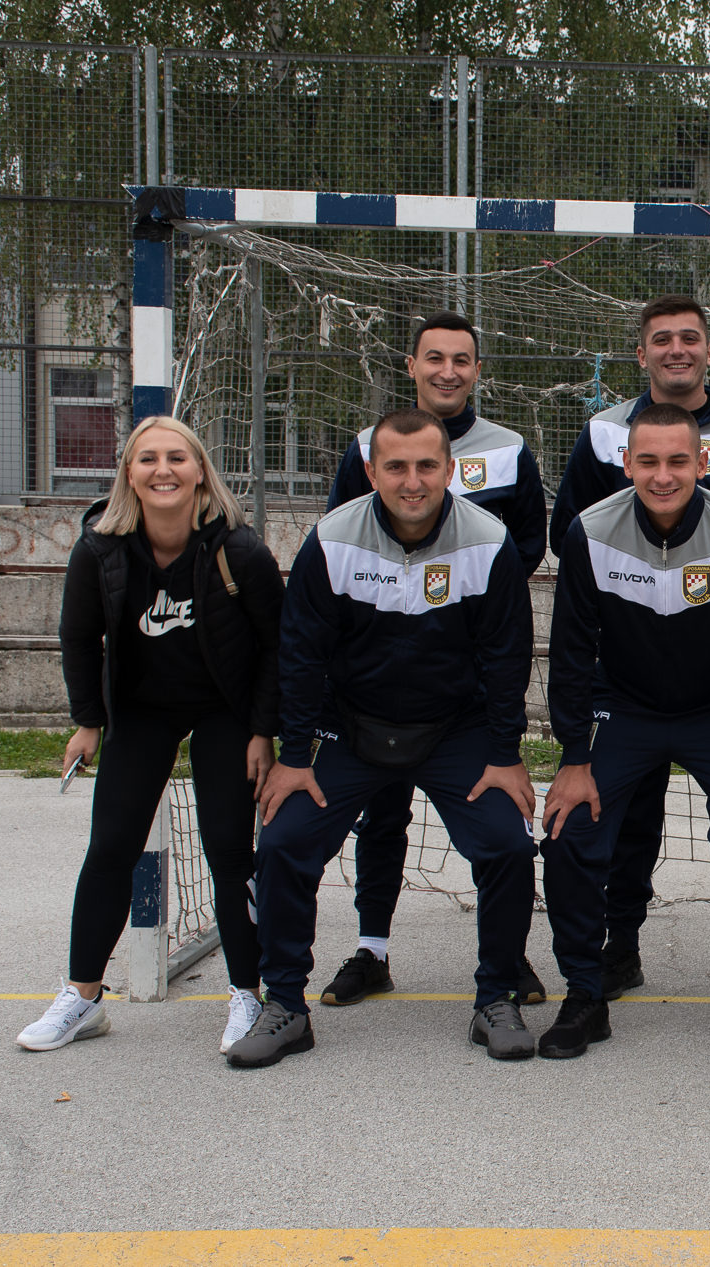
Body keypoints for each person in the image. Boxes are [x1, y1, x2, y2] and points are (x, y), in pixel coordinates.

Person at [227, 407, 538, 1068]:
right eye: (396, 467)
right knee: (282, 841)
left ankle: (496, 997)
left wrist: (505, 753)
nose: (412, 481)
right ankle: (285, 1005)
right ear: (371, 472)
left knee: (508, 843)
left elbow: (507, 657)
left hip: (455, 728)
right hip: (350, 725)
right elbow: (301, 655)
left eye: (426, 466)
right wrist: (294, 757)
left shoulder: (489, 541)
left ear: (450, 469)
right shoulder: (332, 539)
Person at [546, 294, 710, 1004]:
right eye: (662, 339)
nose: (677, 349)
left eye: (691, 338)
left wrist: (700, 574)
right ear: (642, 353)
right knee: (617, 822)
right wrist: (572, 747)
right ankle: (614, 954)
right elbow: (576, 546)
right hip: (625, 687)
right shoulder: (602, 434)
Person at [18, 415, 283, 1055]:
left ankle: (247, 994)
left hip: (223, 709)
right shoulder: (100, 549)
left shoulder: (240, 550)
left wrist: (262, 731)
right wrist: (89, 721)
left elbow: (279, 645)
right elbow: (78, 638)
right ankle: (83, 998)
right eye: (148, 459)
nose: (163, 469)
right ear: (129, 476)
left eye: (177, 458)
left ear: (200, 473)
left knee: (228, 850)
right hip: (141, 710)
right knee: (111, 846)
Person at [316, 312, 549, 1011]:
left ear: (477, 370)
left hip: (464, 679)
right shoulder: (369, 446)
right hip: (376, 678)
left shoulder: (508, 450)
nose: (448, 371)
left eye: (461, 359)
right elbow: (343, 542)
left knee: (491, 827)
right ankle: (372, 950)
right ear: (411, 366)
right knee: (381, 818)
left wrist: (455, 605)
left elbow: (525, 546)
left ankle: (506, 958)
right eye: (435, 358)